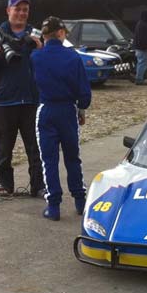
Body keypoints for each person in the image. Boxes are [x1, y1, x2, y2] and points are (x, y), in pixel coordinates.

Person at [0, 0, 45, 197]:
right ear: (8, 10)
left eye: (25, 9)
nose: (21, 13)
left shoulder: (35, 34)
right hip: (4, 101)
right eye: (17, 9)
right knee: (3, 146)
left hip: (32, 99)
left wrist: (41, 49)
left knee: (35, 146)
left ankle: (38, 185)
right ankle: (4, 184)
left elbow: (46, 65)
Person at [31, 16, 92, 221]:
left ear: (43, 35)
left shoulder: (36, 57)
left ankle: (54, 206)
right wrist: (81, 109)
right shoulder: (73, 57)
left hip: (46, 109)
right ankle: (80, 200)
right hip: (67, 110)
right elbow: (84, 91)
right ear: (60, 33)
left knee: (49, 160)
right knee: (72, 157)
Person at [133, 10, 147, 85]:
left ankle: (138, 78)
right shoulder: (143, 25)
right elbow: (142, 38)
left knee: (140, 63)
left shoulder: (140, 24)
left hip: (139, 47)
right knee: (142, 63)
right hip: (142, 48)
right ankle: (139, 79)